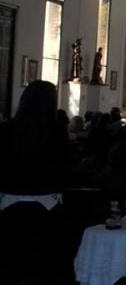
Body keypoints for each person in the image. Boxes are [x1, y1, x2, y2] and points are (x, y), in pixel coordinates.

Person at [0, 81, 71, 284]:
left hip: (9, 203)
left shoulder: (6, 129)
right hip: (47, 203)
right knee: (44, 264)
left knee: (11, 261)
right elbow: (64, 167)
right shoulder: (56, 131)